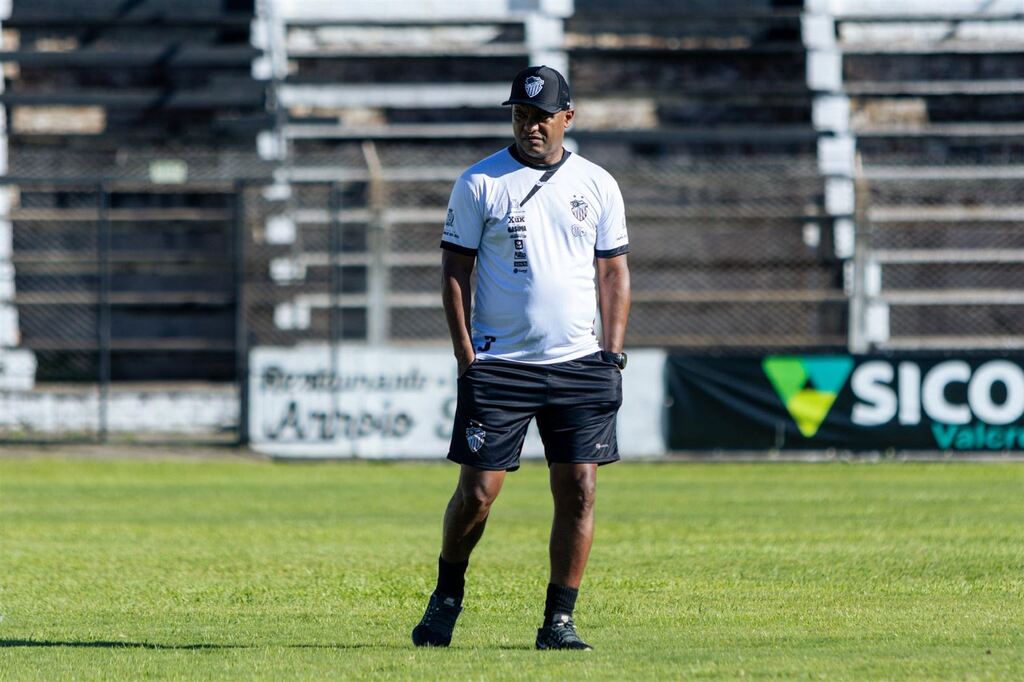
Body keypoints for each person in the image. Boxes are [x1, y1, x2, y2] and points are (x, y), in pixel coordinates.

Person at [412, 65, 631, 651]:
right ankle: (447, 595)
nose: (530, 126)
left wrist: (611, 355)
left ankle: (559, 620)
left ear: (568, 117)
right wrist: (466, 355)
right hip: (500, 364)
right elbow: (454, 272)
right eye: (520, 115)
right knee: (478, 492)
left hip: (581, 364)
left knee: (580, 489)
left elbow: (613, 272)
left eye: (540, 116)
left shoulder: (597, 183)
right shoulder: (480, 182)